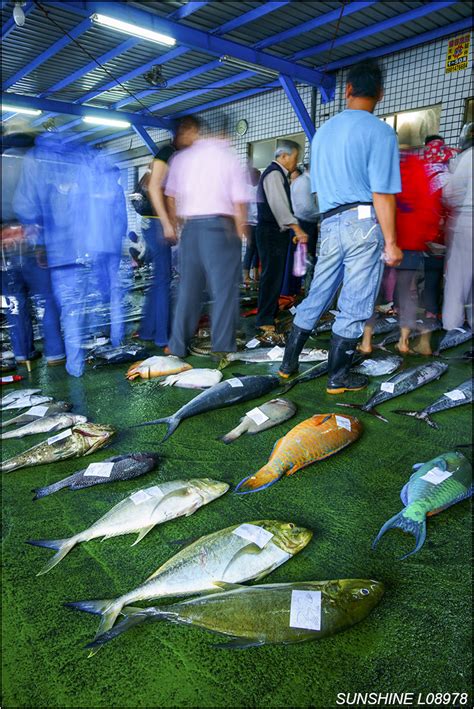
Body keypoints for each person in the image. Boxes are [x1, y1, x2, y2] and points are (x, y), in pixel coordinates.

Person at [279, 59, 403, 393]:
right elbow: (382, 192)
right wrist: (391, 241)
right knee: (357, 297)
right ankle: (338, 376)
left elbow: (318, 189)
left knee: (319, 290)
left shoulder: (321, 135)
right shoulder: (380, 131)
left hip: (330, 221)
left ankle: (288, 363)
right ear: (379, 93)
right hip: (362, 220)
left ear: (347, 90)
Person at [165, 112, 248, 358]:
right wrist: (241, 232)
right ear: (224, 134)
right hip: (219, 228)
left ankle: (178, 347)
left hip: (191, 229)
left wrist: (178, 225)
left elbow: (171, 196)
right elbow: (239, 202)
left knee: (188, 290)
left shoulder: (182, 158)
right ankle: (221, 347)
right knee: (224, 291)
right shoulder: (228, 158)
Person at [2, 129, 65, 367]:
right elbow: (39, 202)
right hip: (30, 242)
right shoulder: (32, 162)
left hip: (4, 249)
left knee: (14, 303)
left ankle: (22, 354)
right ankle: (55, 353)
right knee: (47, 298)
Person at [137, 115, 200, 347]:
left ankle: (148, 330)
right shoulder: (166, 154)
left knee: (159, 280)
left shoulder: (175, 156)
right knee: (163, 280)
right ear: (184, 132)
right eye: (194, 133)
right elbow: (154, 188)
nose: (195, 138)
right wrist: (166, 223)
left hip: (155, 222)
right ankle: (163, 336)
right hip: (155, 222)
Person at [255, 141, 308, 344]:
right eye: (295, 158)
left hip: (274, 231)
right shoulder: (274, 174)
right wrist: (296, 227)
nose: (296, 162)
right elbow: (279, 206)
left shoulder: (276, 174)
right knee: (271, 276)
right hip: (270, 232)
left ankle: (269, 312)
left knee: (275, 275)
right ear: (284, 156)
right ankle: (264, 319)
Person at [441, 124, 473, 332]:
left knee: (457, 277)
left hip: (468, 219)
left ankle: (451, 325)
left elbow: (449, 192)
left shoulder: (468, 157)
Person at [242, 167, 260, 285]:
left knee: (257, 249)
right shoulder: (246, 189)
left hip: (257, 222)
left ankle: (255, 274)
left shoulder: (256, 188)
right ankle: (246, 275)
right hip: (249, 222)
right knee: (250, 248)